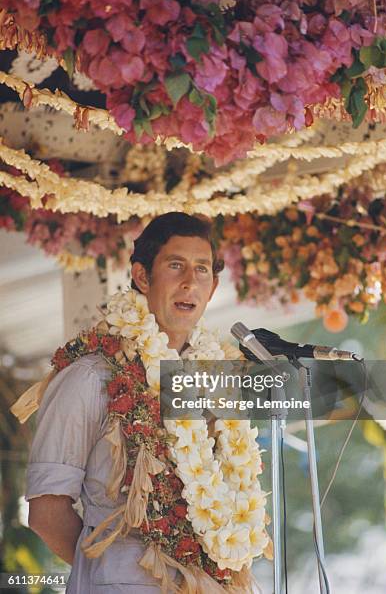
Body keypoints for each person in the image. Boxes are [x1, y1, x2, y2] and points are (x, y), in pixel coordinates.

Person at [25, 212, 225, 593]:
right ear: (142, 276)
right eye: (176, 265)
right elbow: (47, 513)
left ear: (213, 287)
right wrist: (112, 568)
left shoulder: (213, 381)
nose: (189, 282)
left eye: (202, 270)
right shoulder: (90, 377)